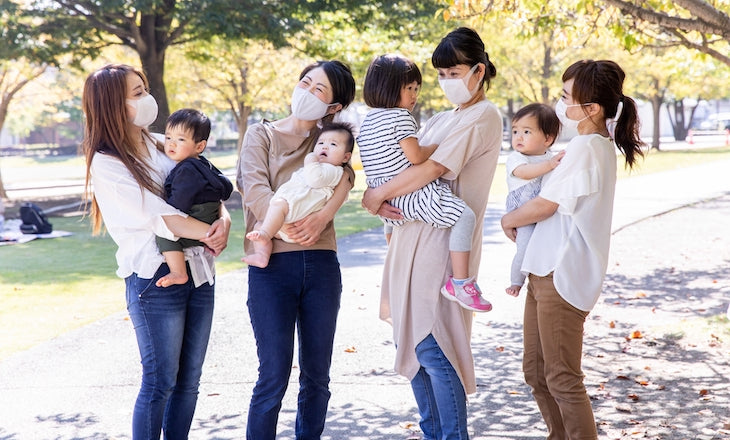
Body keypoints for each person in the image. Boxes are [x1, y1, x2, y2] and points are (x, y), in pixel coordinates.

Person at [361, 27, 502, 439]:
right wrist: (377, 196)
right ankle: (433, 432)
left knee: (432, 343)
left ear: (478, 70)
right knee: (415, 345)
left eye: (453, 72)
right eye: (440, 74)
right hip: (410, 233)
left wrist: (376, 195)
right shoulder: (443, 118)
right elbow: (397, 163)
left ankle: (452, 434)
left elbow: (432, 169)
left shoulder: (484, 115)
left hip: (443, 238)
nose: (445, 82)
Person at [81, 64, 231, 440]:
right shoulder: (107, 162)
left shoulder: (160, 141)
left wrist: (224, 221)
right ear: (113, 105)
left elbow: (204, 185)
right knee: (160, 381)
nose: (146, 98)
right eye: (136, 92)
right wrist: (210, 232)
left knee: (188, 381)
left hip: (199, 273)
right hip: (155, 279)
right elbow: (161, 216)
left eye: (144, 88)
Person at [501, 59, 645, 439]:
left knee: (562, 377)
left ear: (592, 108)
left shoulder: (587, 147)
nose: (560, 103)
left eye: (566, 96)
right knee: (536, 372)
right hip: (542, 270)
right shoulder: (587, 145)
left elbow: (546, 204)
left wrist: (507, 219)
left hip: (562, 275)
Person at [236, 60, 356, 440]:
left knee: (317, 375)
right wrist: (281, 225)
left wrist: (323, 218)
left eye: (319, 90)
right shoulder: (262, 135)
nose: (307, 92)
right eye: (305, 82)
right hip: (271, 266)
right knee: (273, 373)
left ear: (333, 107)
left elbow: (348, 174)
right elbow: (252, 186)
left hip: (321, 264)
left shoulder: (328, 140)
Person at [357, 53, 491, 313]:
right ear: (387, 87)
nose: (414, 95)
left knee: (393, 228)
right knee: (464, 217)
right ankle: (462, 283)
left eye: (417, 88)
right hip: (412, 194)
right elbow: (416, 156)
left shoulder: (367, 122)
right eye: (409, 88)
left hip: (386, 198)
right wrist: (436, 146)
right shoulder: (401, 117)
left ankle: (395, 258)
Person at [243, 122, 354, 268]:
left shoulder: (334, 171)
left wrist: (310, 160)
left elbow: (315, 179)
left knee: (277, 206)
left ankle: (265, 235)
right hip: (294, 224)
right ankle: (262, 255)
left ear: (345, 158)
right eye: (320, 143)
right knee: (258, 225)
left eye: (333, 144)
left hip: (296, 214)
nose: (325, 147)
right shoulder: (259, 133)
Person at [156, 108, 233, 287]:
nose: (171, 144)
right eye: (168, 138)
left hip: (199, 215)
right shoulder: (203, 164)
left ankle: (178, 272)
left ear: (199, 146)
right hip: (211, 212)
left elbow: (179, 204)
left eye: (180, 139)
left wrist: (169, 211)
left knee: (165, 234)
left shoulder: (186, 170)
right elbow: (225, 187)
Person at [505, 103, 563, 297]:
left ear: (548, 139)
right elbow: (525, 173)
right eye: (515, 131)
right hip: (520, 208)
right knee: (525, 245)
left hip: (540, 207)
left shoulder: (550, 157)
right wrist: (549, 165)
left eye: (526, 132)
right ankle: (516, 281)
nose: (518, 137)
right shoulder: (517, 158)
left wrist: (552, 163)